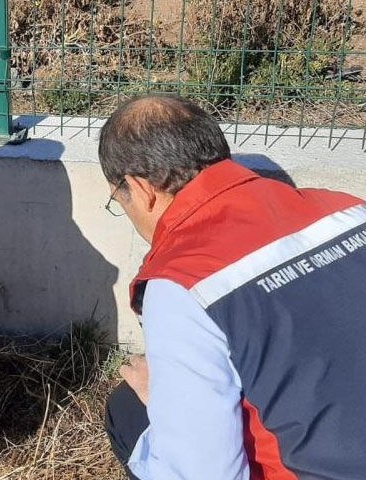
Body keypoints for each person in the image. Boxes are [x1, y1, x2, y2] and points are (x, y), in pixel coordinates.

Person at [100, 96, 366, 479]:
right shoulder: (348, 210)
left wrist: (164, 404)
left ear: (140, 189)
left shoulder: (181, 283)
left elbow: (204, 472)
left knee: (128, 409)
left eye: (117, 199)